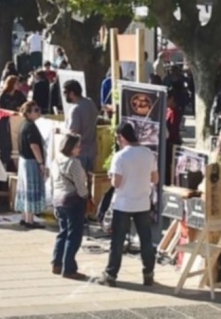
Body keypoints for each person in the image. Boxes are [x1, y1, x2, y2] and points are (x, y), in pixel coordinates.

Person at [96, 122, 158, 288]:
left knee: (117, 241)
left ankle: (111, 274)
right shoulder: (148, 153)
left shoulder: (121, 156)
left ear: (121, 137)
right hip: (143, 203)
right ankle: (148, 274)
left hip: (123, 203)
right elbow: (155, 178)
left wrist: (111, 176)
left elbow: (116, 183)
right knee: (146, 240)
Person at [51, 133, 88, 280]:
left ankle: (57, 263)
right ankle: (69, 268)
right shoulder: (74, 163)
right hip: (73, 200)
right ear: (71, 148)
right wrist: (86, 197)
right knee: (74, 236)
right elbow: (80, 186)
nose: (80, 149)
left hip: (59, 199)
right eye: (77, 146)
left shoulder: (57, 160)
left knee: (63, 232)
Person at [15, 101, 46, 228]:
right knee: (32, 190)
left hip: (23, 161)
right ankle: (30, 220)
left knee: (24, 189)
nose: (38, 112)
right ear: (28, 113)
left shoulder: (23, 125)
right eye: (35, 110)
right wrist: (41, 163)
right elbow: (34, 146)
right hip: (31, 162)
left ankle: (24, 217)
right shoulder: (30, 127)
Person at [63, 80, 98, 173]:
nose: (63, 95)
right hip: (92, 149)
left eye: (65, 92)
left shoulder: (75, 109)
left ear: (72, 93)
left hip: (79, 152)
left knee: (77, 182)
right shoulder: (90, 102)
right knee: (89, 181)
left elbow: (73, 132)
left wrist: (62, 132)